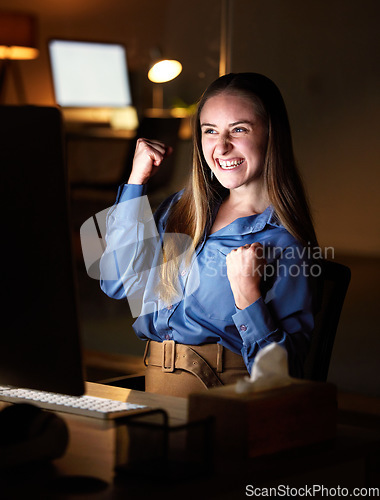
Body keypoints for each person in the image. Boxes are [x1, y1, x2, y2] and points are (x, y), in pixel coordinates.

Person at [99, 73, 320, 397]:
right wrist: (136, 181)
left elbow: (283, 374)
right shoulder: (182, 208)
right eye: (210, 131)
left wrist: (248, 295)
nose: (222, 146)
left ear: (271, 134)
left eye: (239, 129)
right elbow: (116, 282)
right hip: (154, 384)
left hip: (223, 394)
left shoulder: (282, 242)